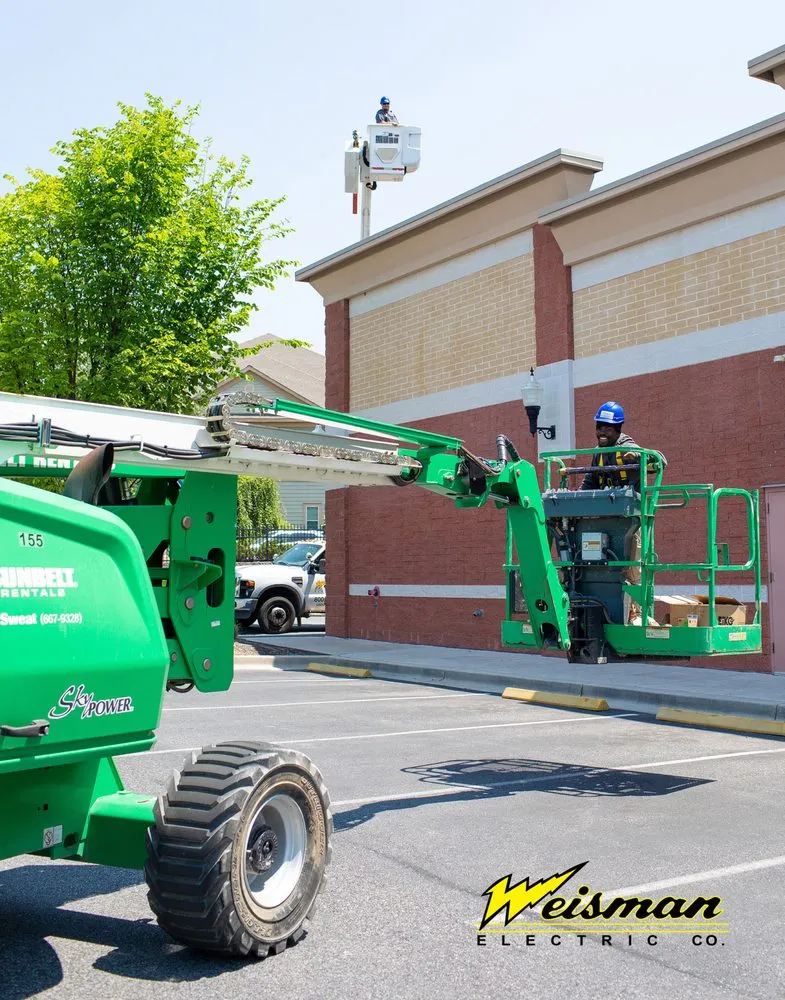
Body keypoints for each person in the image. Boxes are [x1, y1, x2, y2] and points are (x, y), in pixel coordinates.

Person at [579, 402, 665, 624]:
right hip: (603, 522)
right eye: (599, 427)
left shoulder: (629, 447)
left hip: (629, 523)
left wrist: (639, 458)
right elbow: (589, 480)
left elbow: (660, 462)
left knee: (630, 570)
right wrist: (575, 499)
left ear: (618, 429)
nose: (601, 432)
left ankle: (634, 614)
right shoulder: (598, 453)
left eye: (607, 428)